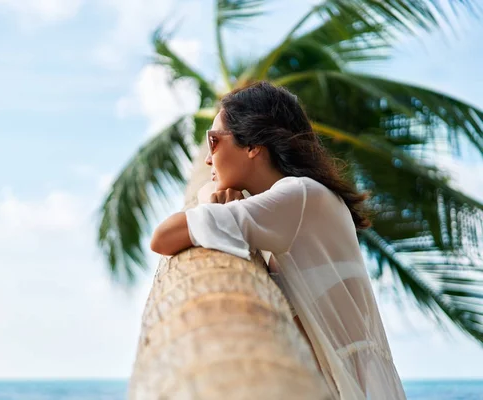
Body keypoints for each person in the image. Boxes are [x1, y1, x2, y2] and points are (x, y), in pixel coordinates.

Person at [150, 81, 407, 400]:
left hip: (348, 386)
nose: (207, 159)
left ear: (253, 144)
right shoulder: (299, 199)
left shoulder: (298, 194)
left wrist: (206, 198)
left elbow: (162, 237)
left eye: (213, 141)